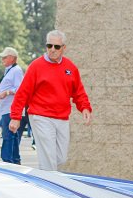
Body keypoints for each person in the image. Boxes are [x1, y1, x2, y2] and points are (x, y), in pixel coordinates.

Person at [9, 30, 92, 171]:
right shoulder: (36, 66)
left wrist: (84, 107)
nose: (52, 50)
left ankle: (45, 179)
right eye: (49, 46)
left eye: (57, 47)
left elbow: (78, 91)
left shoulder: (70, 68)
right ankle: (49, 188)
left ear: (63, 48)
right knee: (49, 159)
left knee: (61, 158)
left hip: (62, 118)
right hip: (41, 117)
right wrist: (15, 117)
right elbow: (22, 93)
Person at [0, 47, 26, 164]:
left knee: (8, 136)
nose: (2, 59)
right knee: (12, 136)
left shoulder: (16, 70)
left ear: (12, 58)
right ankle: (14, 161)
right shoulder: (10, 70)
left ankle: (8, 161)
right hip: (6, 109)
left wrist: (6, 92)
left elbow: (20, 88)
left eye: (5, 57)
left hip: (11, 109)